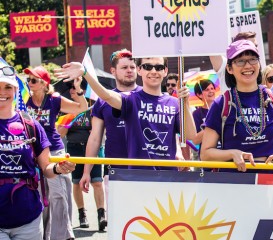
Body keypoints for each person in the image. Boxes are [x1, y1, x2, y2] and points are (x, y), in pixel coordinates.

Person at [0, 64, 76, 240]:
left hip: (28, 216)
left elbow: (45, 169)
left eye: (8, 87)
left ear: (16, 90)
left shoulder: (31, 125)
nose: (3, 92)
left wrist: (60, 168)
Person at [56, 57, 197, 170]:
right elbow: (106, 95)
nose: (154, 71)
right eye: (148, 67)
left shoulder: (174, 103)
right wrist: (86, 73)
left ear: (165, 71)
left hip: (168, 175)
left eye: (159, 67)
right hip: (136, 176)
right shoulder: (131, 99)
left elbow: (192, 136)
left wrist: (185, 103)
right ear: (140, 70)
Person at [201, 40, 273, 173]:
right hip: (235, 184)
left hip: (272, 183)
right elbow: (205, 154)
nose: (248, 66)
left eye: (252, 59)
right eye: (240, 61)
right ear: (229, 68)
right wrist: (232, 154)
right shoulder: (221, 103)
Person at [24, 65, 87, 240]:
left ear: (44, 84)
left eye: (34, 80)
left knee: (59, 192)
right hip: (33, 151)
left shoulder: (54, 100)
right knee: (40, 195)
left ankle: (64, 239)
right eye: (28, 80)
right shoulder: (24, 101)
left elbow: (81, 108)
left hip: (55, 150)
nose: (30, 83)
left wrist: (79, 90)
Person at [78, 49, 140, 230]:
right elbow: (95, 137)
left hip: (147, 168)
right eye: (124, 67)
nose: (129, 70)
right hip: (116, 170)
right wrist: (86, 171)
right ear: (113, 71)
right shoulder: (102, 102)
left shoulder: (147, 96)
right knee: (120, 225)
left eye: (132, 67)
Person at [56, 79, 105, 230]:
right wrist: (68, 121)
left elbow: (100, 133)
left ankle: (101, 214)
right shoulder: (66, 110)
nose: (72, 92)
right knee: (76, 182)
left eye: (75, 89)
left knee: (97, 181)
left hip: (93, 149)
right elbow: (60, 134)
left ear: (83, 92)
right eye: (70, 89)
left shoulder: (94, 109)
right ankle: (82, 214)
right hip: (74, 147)